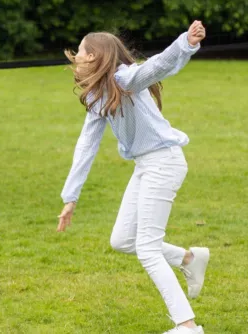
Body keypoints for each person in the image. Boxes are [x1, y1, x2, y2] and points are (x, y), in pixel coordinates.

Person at [57, 21, 210, 334]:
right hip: (146, 165)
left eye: (83, 51)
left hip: (164, 162)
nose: (78, 57)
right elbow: (86, 146)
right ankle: (189, 258)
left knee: (148, 249)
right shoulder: (98, 97)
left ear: (96, 57)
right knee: (123, 240)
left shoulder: (125, 77)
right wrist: (70, 198)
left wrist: (186, 42)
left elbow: (156, 66)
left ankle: (188, 326)